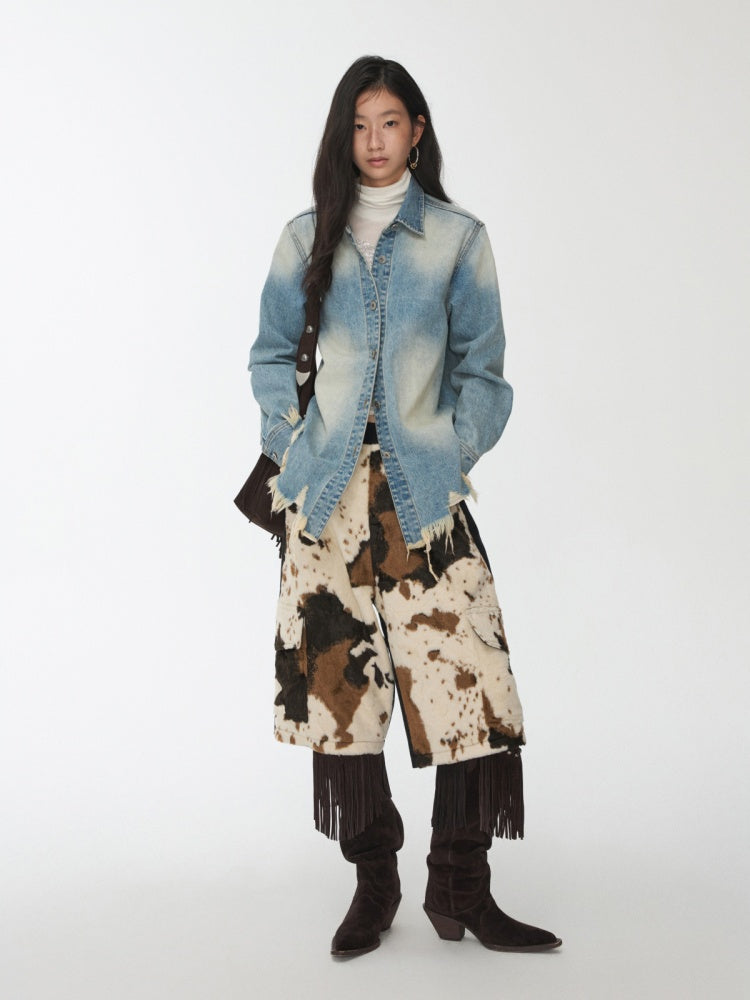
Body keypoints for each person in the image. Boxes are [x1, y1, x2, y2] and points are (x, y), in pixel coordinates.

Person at [247, 55, 562, 959]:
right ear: (342, 135)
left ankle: (462, 884)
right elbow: (270, 355)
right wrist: (292, 448)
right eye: (359, 125)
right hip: (326, 501)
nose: (375, 141)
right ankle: (373, 883)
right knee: (341, 696)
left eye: (390, 122)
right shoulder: (305, 236)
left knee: (471, 685)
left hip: (423, 498)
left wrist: (448, 452)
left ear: (417, 131)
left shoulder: (458, 239)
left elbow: (484, 374)